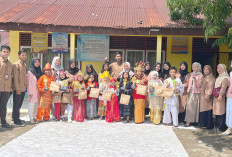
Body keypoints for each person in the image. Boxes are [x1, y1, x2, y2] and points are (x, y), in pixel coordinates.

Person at [12, 50, 28, 126]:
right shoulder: (16, 65)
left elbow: (24, 76)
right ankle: (16, 121)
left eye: (25, 55)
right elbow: (15, 78)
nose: (24, 56)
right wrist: (17, 88)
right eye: (23, 55)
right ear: (19, 55)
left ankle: (14, 118)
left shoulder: (24, 64)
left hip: (23, 88)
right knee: (16, 104)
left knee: (19, 104)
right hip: (18, 88)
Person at [185, 62, 203, 127]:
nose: (194, 68)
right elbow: (189, 83)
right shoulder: (191, 74)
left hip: (196, 93)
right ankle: (189, 120)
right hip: (190, 92)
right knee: (189, 106)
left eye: (195, 67)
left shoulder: (200, 75)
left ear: (198, 68)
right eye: (193, 67)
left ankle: (191, 121)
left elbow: (199, 85)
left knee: (194, 107)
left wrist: (195, 80)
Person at [213, 64, 229, 132]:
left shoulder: (225, 77)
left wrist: (220, 95)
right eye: (218, 68)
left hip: (220, 97)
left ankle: (221, 127)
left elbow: (223, 88)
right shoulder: (219, 77)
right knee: (217, 111)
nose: (219, 70)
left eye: (220, 68)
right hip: (216, 96)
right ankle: (217, 126)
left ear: (224, 69)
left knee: (221, 111)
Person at [0, 45, 13, 128]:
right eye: (4, 51)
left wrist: (11, 87)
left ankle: (3, 122)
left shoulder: (10, 64)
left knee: (3, 106)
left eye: (7, 52)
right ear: (1, 52)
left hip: (6, 89)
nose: (6, 53)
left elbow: (11, 76)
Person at [27, 58, 43, 124]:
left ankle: (35, 117)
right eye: (35, 62)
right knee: (31, 105)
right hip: (32, 91)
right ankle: (31, 118)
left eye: (38, 62)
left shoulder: (39, 71)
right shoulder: (30, 72)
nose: (37, 63)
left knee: (37, 104)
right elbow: (28, 83)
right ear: (33, 63)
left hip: (38, 91)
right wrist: (29, 92)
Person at [223, 69, 232, 135]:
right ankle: (229, 127)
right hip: (229, 94)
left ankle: (229, 128)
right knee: (229, 110)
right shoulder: (231, 73)